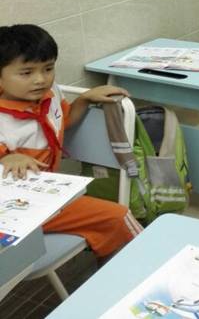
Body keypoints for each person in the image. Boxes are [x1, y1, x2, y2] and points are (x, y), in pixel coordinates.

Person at [0, 24, 142, 258]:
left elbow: (62, 121)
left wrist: (84, 99)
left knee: (114, 216)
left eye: (48, 68)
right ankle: (143, 262)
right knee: (119, 216)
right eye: (26, 73)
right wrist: (7, 158)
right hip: (17, 208)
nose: (40, 79)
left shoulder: (50, 94)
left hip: (44, 196)